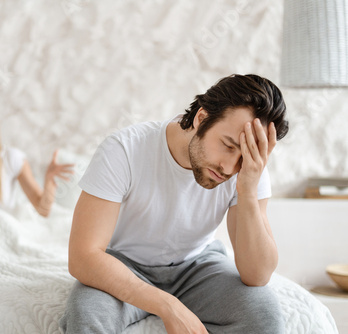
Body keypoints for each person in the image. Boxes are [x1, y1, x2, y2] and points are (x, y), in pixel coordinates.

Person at [60, 74, 289, 333]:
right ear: (201, 119)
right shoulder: (123, 150)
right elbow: (82, 257)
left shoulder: (247, 169)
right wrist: (168, 306)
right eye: (227, 145)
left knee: (265, 314)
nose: (228, 167)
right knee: (87, 317)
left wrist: (247, 189)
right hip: (124, 265)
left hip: (197, 267)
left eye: (243, 157)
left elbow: (257, 275)